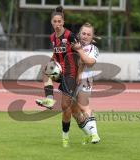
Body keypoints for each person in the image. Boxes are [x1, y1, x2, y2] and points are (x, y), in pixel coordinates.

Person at [35, 6, 85, 147]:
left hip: (71, 73)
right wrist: (51, 63)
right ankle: (50, 100)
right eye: (54, 21)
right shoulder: (52, 37)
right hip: (61, 70)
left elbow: (80, 55)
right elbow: (56, 54)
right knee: (46, 70)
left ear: (63, 22)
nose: (57, 24)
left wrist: (80, 73)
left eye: (59, 21)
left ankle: (89, 131)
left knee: (67, 107)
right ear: (51, 22)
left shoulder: (70, 36)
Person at [71, 22, 100, 144]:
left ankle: (95, 134)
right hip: (71, 81)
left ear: (92, 37)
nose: (85, 36)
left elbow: (89, 62)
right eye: (83, 33)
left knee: (83, 106)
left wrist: (79, 50)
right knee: (74, 111)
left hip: (85, 79)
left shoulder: (93, 49)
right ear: (79, 34)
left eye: (88, 34)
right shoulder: (72, 45)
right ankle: (89, 135)